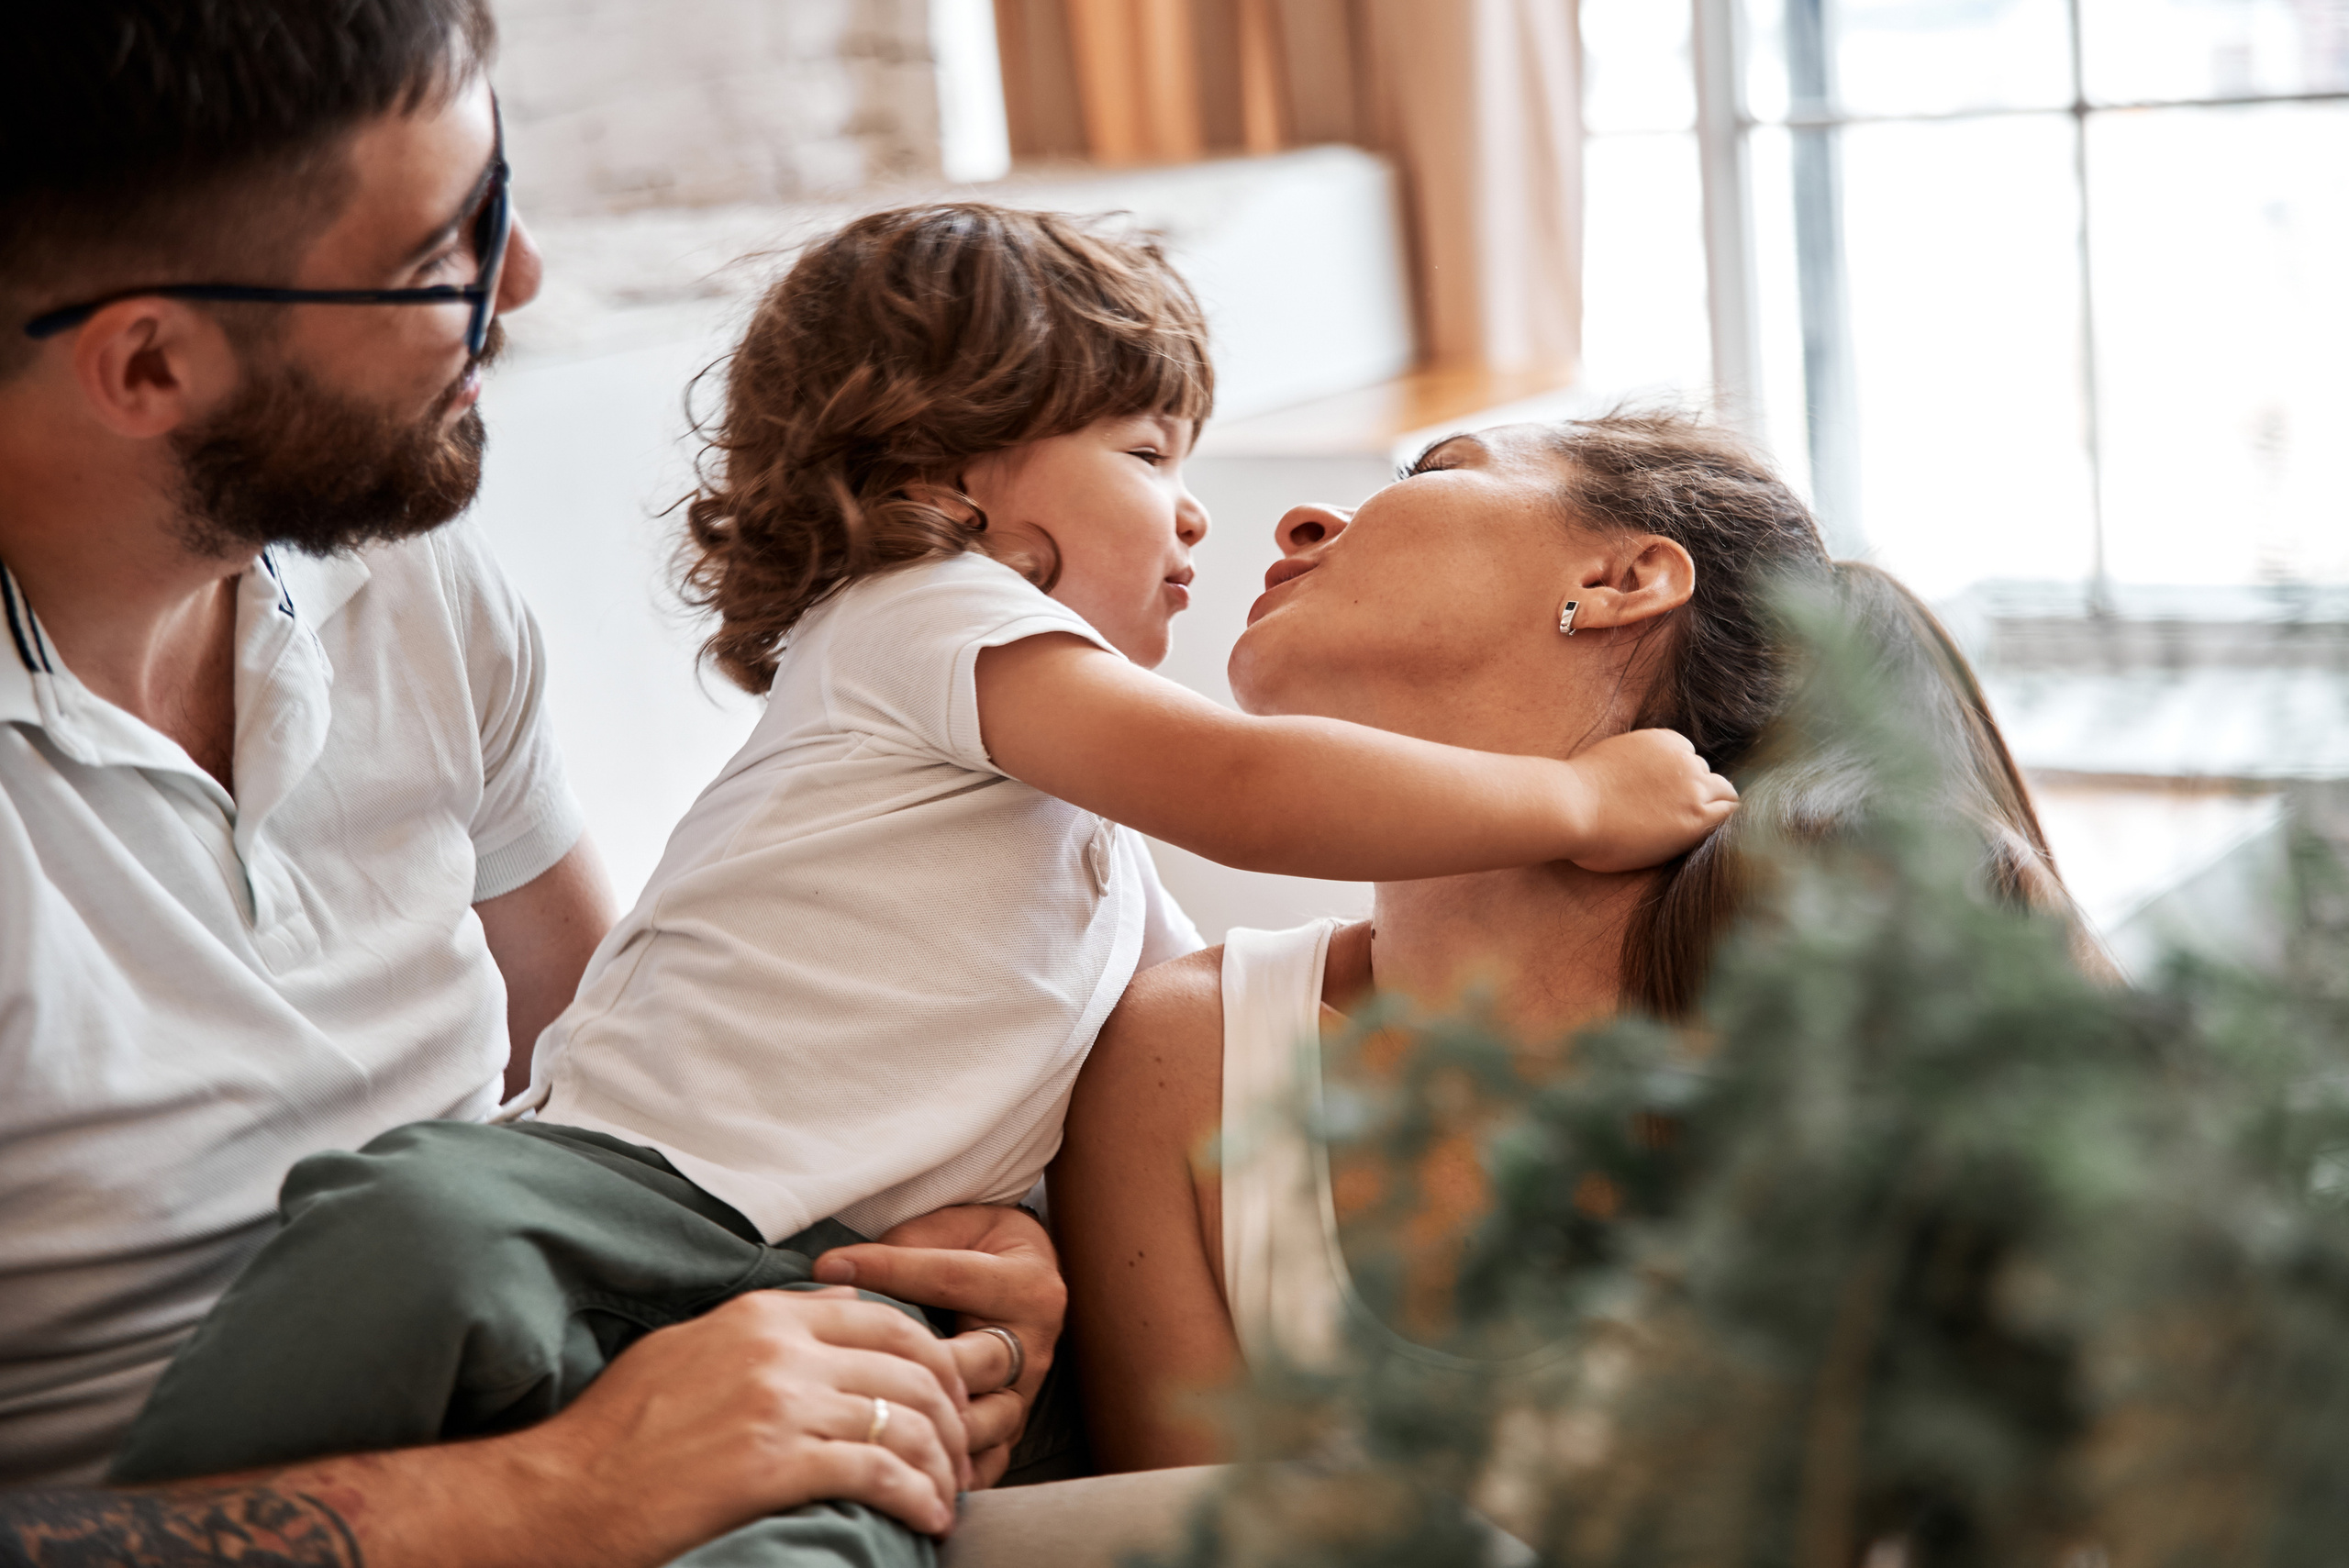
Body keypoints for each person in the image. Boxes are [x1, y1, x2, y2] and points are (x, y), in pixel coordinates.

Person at [99, 206, 1739, 1565]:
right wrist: (1570, 801)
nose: (1195, 510)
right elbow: (1243, 792)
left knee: (828, 1539)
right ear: (956, 479)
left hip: (831, 1291)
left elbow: (1160, 1027)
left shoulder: (1086, 841)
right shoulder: (927, 615)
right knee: (418, 1228)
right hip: (618, 1192)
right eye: (1148, 446)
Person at [0, 3, 1056, 1558]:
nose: (530, 279)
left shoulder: (408, 585)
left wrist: (938, 1269)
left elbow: (624, 1106)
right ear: (149, 361)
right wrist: (558, 1486)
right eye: (453, 245)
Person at [1049, 410, 2100, 1472]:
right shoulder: (1185, 1056)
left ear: (1623, 578)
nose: (1305, 520)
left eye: (1431, 468)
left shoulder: (1847, 977)